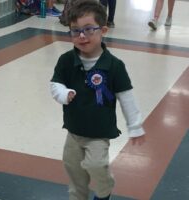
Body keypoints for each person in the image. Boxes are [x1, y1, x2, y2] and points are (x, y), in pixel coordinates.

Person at [50, 0, 145, 199]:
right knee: (74, 171)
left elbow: (126, 96)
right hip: (73, 132)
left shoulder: (114, 65)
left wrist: (135, 126)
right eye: (75, 31)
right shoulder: (66, 60)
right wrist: (63, 94)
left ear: (103, 30)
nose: (81, 36)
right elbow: (55, 84)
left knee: (96, 165)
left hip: (99, 134)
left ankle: (104, 191)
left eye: (88, 29)